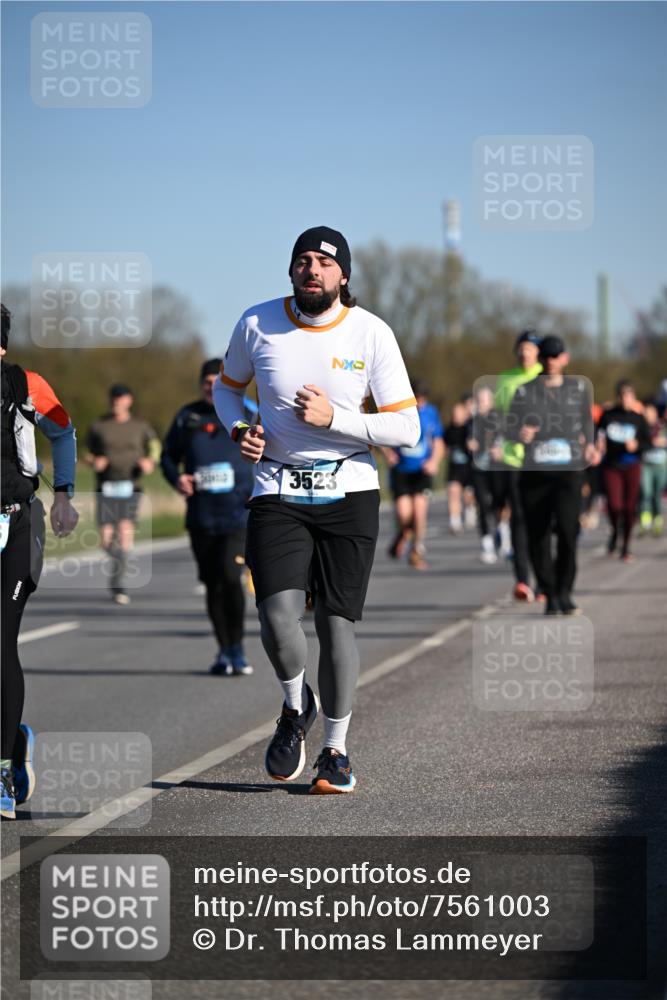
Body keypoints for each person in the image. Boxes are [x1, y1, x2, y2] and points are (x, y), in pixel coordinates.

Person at [213, 226, 419, 794]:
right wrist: (239, 429)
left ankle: (335, 750)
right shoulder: (256, 322)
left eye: (324, 264)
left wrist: (339, 419)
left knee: (335, 625)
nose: (312, 271)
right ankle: (293, 704)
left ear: (343, 276)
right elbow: (226, 389)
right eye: (302, 261)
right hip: (277, 490)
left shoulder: (371, 332)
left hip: (349, 492)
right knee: (278, 617)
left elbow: (407, 427)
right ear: (291, 271)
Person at [1, 303, 78, 819]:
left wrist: (64, 494)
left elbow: (63, 430)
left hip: (12, 522)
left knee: (0, 640)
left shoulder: (24, 382)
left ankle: (4, 768)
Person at [161, 359, 255, 675]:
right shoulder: (187, 417)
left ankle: (239, 649)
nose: (211, 388)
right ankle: (223, 649)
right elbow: (167, 457)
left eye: (217, 382)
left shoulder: (248, 412)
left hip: (237, 513)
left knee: (231, 577)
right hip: (202, 515)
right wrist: (178, 479)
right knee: (212, 583)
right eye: (206, 382)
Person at [508, 335, 597, 615]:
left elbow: (587, 423)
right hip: (535, 473)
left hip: (569, 473)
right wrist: (519, 433)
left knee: (569, 532)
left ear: (565, 358)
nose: (551, 361)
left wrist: (592, 446)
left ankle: (565, 591)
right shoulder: (525, 391)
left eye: (556, 356)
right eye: (546, 356)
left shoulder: (578, 388)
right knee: (539, 534)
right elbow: (509, 428)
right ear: (540, 359)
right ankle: (548, 589)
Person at [85, 384, 159, 604]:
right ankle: (118, 564)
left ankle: (119, 583)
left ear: (129, 401)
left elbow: (155, 447)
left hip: (131, 485)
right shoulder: (99, 426)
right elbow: (83, 449)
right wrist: (93, 461)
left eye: (122, 398)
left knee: (125, 531)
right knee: (107, 538)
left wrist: (150, 462)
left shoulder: (141, 426)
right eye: (114, 398)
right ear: (110, 401)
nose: (117, 402)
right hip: (106, 485)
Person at [494, 329, 543, 601]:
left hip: (544, 459)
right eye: (522, 347)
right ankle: (523, 580)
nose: (525, 352)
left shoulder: (545, 378)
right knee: (520, 520)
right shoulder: (505, 380)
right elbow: (499, 418)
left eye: (531, 348)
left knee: (543, 520)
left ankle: (545, 578)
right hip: (515, 459)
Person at [382, 378, 444, 570]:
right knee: (404, 513)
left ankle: (417, 550)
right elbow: (381, 433)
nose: (421, 403)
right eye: (417, 399)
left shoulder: (431, 413)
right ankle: (404, 532)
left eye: (423, 399)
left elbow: (439, 441)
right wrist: (388, 453)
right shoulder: (396, 409)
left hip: (422, 470)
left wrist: (434, 462)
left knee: (419, 510)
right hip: (401, 470)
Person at [597, 380, 651, 561]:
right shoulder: (608, 416)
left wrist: (637, 446)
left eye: (629, 396)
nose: (626, 399)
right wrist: (599, 445)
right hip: (612, 466)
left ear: (633, 397)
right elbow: (598, 435)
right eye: (622, 396)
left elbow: (648, 443)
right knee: (614, 505)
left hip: (632, 466)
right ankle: (614, 532)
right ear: (618, 397)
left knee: (629, 508)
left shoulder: (638, 418)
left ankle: (626, 546)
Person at [468, 384, 503, 564]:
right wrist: (470, 444)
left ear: (491, 401)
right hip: (479, 468)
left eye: (484, 400)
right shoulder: (472, 420)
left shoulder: (498, 418)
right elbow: (465, 440)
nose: (481, 403)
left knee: (498, 503)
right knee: (482, 504)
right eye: (479, 400)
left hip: (497, 468)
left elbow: (505, 438)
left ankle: (500, 531)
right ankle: (487, 544)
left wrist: (500, 448)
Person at [444, 401, 473, 534]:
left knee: (468, 495)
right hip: (454, 467)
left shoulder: (470, 428)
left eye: (458, 414)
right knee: (453, 492)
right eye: (454, 414)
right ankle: (454, 521)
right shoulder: (449, 430)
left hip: (469, 468)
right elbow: (444, 445)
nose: (456, 416)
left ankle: (470, 509)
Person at [639, 401, 667, 537]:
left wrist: (662, 442)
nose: (648, 415)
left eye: (650, 412)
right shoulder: (642, 428)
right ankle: (645, 522)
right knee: (646, 492)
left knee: (657, 494)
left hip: (661, 465)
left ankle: (657, 521)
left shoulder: (662, 426)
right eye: (646, 413)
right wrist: (650, 442)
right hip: (646, 465)